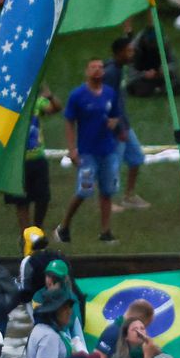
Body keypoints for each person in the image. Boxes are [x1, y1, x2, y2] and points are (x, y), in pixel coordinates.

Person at [55, 58, 126, 245]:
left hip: (108, 151)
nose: (97, 70)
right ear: (87, 71)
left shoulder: (110, 93)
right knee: (84, 191)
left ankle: (105, 231)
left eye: (100, 67)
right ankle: (64, 226)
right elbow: (69, 122)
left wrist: (115, 122)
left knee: (107, 191)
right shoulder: (77, 95)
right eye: (93, 67)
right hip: (87, 153)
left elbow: (116, 114)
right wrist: (72, 150)